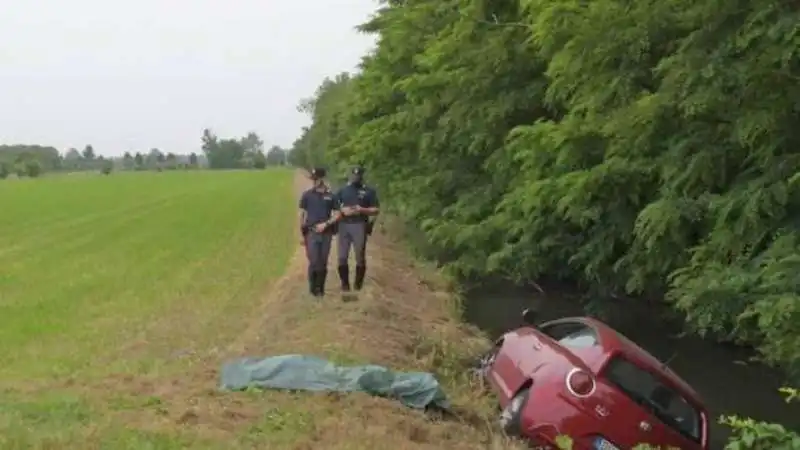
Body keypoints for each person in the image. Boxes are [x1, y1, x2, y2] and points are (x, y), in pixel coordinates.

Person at [335, 166, 380, 291]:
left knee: (359, 255)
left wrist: (362, 209)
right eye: (354, 175)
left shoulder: (369, 191)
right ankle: (345, 284)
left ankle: (358, 284)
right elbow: (334, 204)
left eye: (358, 175)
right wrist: (342, 209)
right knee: (342, 256)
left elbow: (376, 209)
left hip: (359, 224)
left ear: (361, 176)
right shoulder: (343, 190)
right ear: (350, 175)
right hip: (344, 224)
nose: (356, 177)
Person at [299, 167, 340, 297]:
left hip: (326, 233)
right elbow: (302, 214)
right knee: (314, 260)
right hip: (311, 232)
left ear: (323, 179)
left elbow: (338, 214)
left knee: (323, 261)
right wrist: (302, 233)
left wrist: (326, 223)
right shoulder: (307, 195)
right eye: (313, 179)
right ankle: (313, 288)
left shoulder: (331, 196)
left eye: (317, 179)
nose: (315, 181)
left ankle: (320, 289)